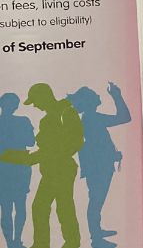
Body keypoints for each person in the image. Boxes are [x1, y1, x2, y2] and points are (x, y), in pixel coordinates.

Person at [0, 84, 83, 248]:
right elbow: (43, 148)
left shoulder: (66, 112)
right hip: (51, 168)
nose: (36, 106)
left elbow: (76, 141)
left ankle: (71, 243)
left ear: (44, 97)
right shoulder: (48, 118)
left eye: (36, 102)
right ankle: (41, 244)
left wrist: (51, 153)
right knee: (41, 206)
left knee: (62, 206)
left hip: (63, 168)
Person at [65, 84, 130, 248]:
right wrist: (116, 95)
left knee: (96, 201)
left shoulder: (88, 118)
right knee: (96, 202)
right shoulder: (92, 118)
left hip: (98, 167)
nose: (98, 96)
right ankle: (96, 239)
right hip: (99, 168)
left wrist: (113, 155)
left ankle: (97, 232)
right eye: (94, 95)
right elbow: (124, 117)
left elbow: (98, 145)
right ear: (90, 101)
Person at [0, 93, 35, 248]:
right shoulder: (23, 121)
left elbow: (31, 141)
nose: (12, 106)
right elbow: (29, 140)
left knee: (15, 207)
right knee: (10, 207)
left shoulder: (23, 121)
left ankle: (15, 242)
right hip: (12, 168)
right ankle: (12, 243)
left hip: (15, 168)